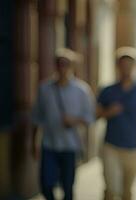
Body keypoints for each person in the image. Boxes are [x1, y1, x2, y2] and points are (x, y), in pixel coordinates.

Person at [96, 46, 136, 200]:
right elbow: (95, 115)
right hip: (111, 146)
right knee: (111, 190)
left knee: (127, 192)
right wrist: (108, 112)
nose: (126, 69)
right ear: (117, 66)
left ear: (135, 67)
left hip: (133, 148)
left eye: (130, 65)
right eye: (123, 65)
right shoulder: (107, 91)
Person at [31, 48, 95, 200]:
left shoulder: (82, 90)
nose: (63, 68)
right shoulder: (45, 89)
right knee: (46, 185)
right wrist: (34, 143)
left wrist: (74, 120)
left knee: (67, 187)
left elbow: (90, 118)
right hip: (49, 145)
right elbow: (36, 117)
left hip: (71, 147)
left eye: (66, 64)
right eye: (60, 64)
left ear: (72, 66)